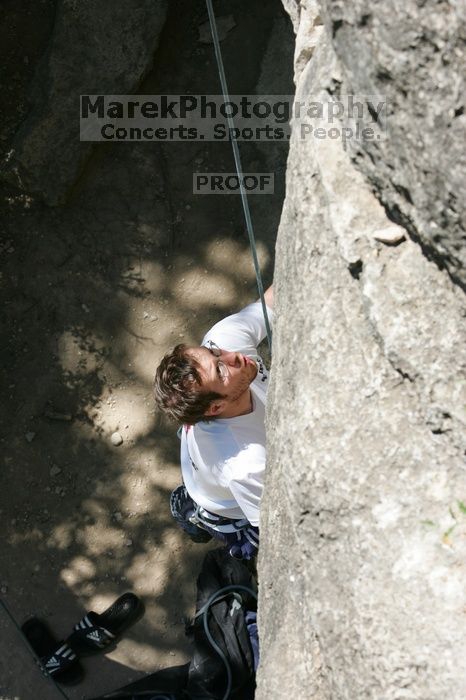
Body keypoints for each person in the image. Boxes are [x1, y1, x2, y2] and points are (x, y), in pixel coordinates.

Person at [154, 286, 273, 555]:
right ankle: (195, 519)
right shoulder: (246, 464)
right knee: (243, 540)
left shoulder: (222, 341)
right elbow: (274, 525)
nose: (233, 356)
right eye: (220, 370)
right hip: (224, 506)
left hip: (208, 473)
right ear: (215, 406)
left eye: (215, 354)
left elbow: (273, 302)